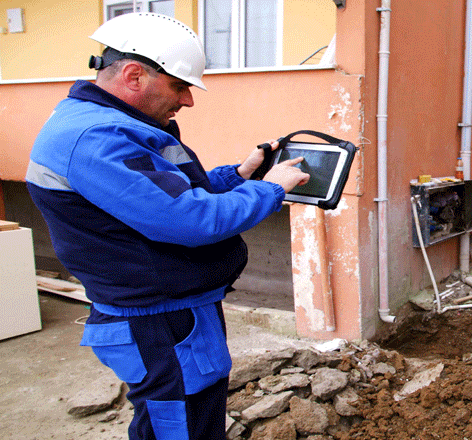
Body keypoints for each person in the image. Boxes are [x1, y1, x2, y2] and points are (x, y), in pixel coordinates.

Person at [25, 13, 310, 439]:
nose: (188, 100)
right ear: (134, 75)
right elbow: (190, 218)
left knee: (192, 418)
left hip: (173, 313)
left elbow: (165, 194)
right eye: (179, 86)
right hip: (158, 322)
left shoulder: (114, 125)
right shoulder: (99, 137)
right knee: (177, 427)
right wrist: (269, 190)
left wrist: (239, 175)